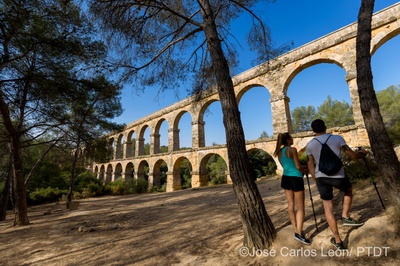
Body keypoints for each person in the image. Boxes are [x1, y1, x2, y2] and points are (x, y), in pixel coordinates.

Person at [306, 119, 368, 250]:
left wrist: (315, 179)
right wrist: (361, 154)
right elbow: (351, 155)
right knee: (348, 190)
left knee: (328, 207)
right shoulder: (337, 138)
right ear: (325, 127)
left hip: (321, 177)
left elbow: (310, 164)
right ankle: (345, 215)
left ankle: (338, 240)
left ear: (313, 130)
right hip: (338, 175)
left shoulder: (310, 144)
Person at [274, 132, 311, 245]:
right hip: (296, 178)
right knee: (300, 207)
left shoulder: (279, 152)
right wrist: (305, 170)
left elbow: (286, 166)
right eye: (291, 138)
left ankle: (295, 229)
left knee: (290, 205)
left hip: (286, 178)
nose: (293, 139)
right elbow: (297, 166)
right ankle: (299, 234)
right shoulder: (292, 150)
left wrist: (300, 168)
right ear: (288, 140)